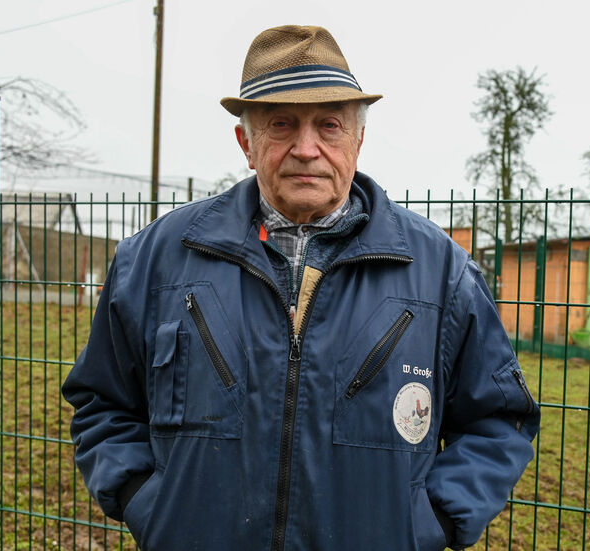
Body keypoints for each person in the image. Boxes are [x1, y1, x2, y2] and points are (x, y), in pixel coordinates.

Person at [62, 25, 540, 551]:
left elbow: (499, 419)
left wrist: (430, 523)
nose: (307, 149)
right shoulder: (154, 260)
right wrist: (149, 504)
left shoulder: (441, 272)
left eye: (329, 125)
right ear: (247, 143)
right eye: (281, 124)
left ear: (358, 140)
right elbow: (103, 402)